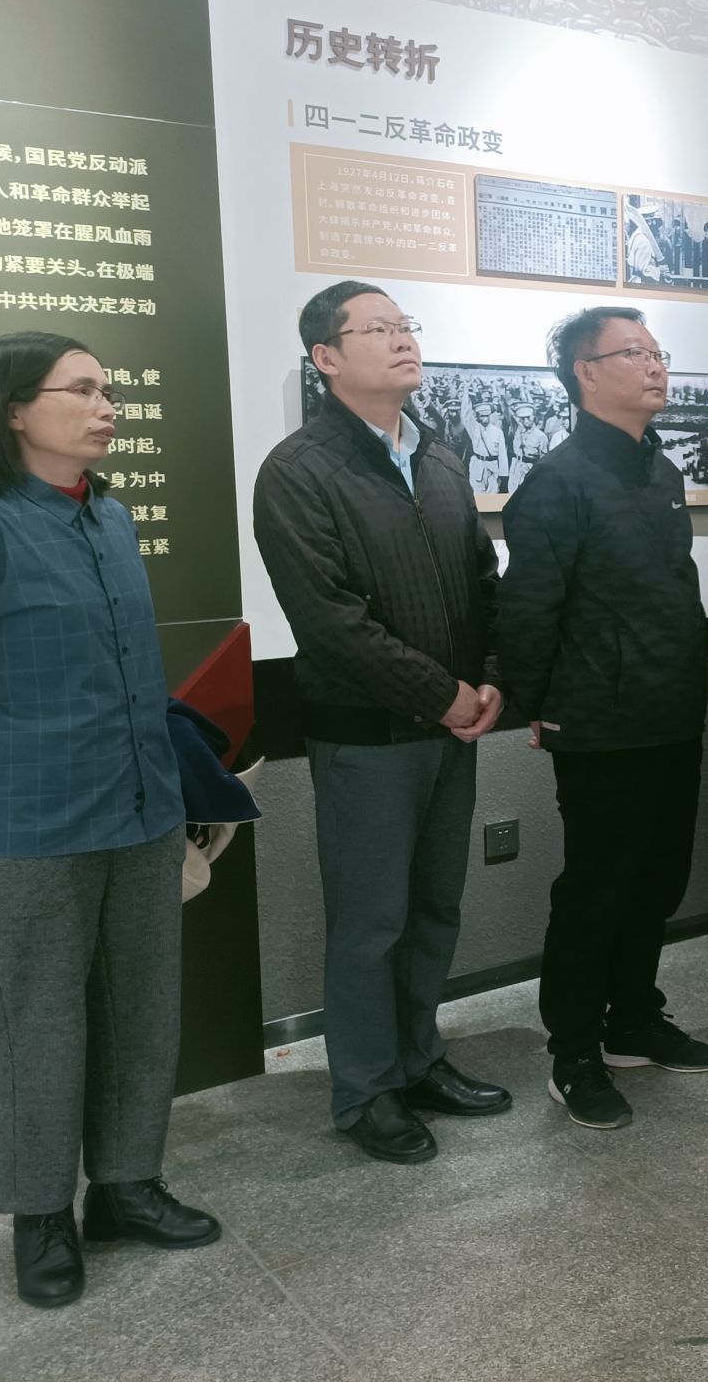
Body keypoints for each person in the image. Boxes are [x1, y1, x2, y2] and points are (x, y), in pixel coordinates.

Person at [0, 332, 220, 1309]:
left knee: (141, 1013)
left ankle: (126, 1186)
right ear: (13, 410)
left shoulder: (110, 518)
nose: (107, 405)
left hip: (141, 812)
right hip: (24, 828)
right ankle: (40, 1217)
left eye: (108, 389)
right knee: (34, 1029)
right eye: (81, 390)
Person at [255, 281, 512, 1164]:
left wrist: (490, 679)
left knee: (435, 906)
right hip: (367, 735)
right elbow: (330, 620)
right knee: (371, 923)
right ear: (326, 358)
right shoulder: (298, 470)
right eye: (379, 329)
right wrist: (441, 693)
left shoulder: (438, 452)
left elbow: (482, 579)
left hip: (451, 727)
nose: (403, 339)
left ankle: (418, 1059)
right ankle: (365, 1091)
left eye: (406, 326)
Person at [499, 307, 708, 1132]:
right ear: (586, 373)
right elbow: (529, 609)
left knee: (658, 880)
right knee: (597, 890)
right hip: (599, 722)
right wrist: (538, 707)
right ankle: (574, 1051)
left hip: (672, 711)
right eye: (635, 353)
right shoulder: (558, 481)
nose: (656, 366)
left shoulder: (659, 471)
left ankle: (633, 1018)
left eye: (659, 352)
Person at [462, 397, 510, 494]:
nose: (485, 419)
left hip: (493, 467)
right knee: (478, 496)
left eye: (487, 416)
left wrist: (503, 475)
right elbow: (465, 415)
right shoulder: (474, 429)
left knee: (492, 496)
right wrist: (466, 393)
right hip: (478, 465)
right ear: (477, 416)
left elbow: (502, 454)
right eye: (482, 416)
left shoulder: (498, 432)